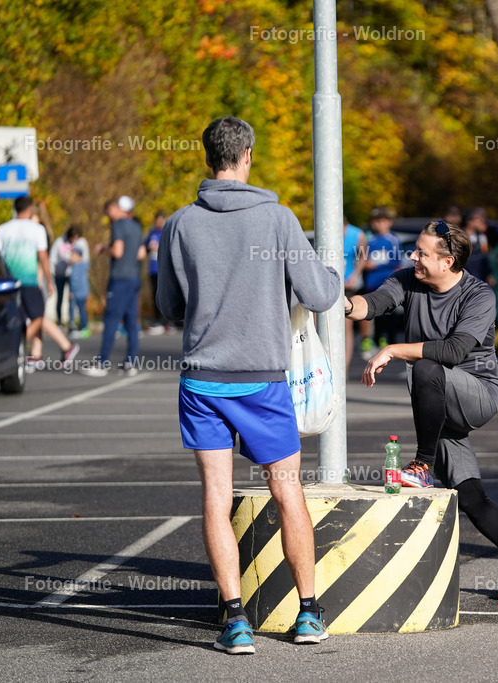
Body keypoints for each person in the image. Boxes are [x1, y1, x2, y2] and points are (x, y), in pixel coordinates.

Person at [156, 116, 341, 653]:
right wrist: (328, 273)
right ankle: (308, 614)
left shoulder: (181, 224)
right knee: (287, 491)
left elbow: (168, 306)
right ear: (248, 156)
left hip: (203, 383)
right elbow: (319, 294)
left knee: (216, 497)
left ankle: (235, 621)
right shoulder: (277, 219)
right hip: (262, 383)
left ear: (208, 156)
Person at [344, 219, 498, 600]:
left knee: (428, 365)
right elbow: (371, 305)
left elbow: (452, 352)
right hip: (436, 401)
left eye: (421, 252)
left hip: (476, 396)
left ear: (448, 261)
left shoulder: (478, 295)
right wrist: (340, 300)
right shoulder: (408, 280)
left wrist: (392, 350)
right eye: (415, 250)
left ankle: (421, 465)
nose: (412, 257)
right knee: (470, 496)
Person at [0, 196, 80, 368]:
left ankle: (37, 354)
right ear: (30, 209)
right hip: (28, 280)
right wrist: (49, 280)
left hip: (8, 281)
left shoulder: (3, 229)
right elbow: (43, 256)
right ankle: (18, 346)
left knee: (21, 317)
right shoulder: (36, 229)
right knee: (38, 316)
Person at [80, 196, 145, 376]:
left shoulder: (118, 226)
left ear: (118, 209)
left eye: (109, 211)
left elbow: (117, 251)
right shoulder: (137, 226)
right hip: (134, 278)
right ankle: (130, 363)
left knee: (111, 320)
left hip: (120, 278)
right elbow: (140, 254)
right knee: (132, 322)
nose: (108, 215)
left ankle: (101, 363)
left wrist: (103, 249)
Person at [359, 206, 402, 357]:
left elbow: (396, 261)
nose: (380, 225)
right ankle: (374, 341)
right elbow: (362, 257)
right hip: (372, 282)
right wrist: (365, 264)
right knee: (373, 313)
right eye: (377, 221)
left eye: (383, 221)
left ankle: (389, 340)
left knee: (389, 313)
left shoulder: (393, 239)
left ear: (389, 222)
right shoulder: (369, 238)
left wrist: (377, 265)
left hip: (387, 281)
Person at [342, 216, 368, 369]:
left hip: (348, 286)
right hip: (329, 283)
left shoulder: (358, 234)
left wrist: (355, 276)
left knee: (346, 326)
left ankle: (343, 368)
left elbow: (363, 257)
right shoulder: (323, 230)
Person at [144, 211, 169, 334]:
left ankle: (168, 322)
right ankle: (157, 320)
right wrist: (148, 247)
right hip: (153, 268)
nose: (158, 224)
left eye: (160, 221)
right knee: (155, 295)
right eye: (157, 221)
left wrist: (158, 247)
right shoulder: (152, 232)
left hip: (164, 268)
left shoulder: (167, 231)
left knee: (165, 295)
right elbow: (145, 246)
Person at [66, 225, 92, 339]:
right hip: (81, 282)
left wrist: (72, 289)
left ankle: (83, 327)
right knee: (80, 305)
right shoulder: (83, 243)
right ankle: (82, 326)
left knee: (79, 305)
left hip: (78, 284)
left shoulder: (79, 244)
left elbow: (75, 256)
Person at [49, 228, 73, 326]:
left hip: (71, 274)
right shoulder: (58, 242)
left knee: (72, 297)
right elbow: (52, 258)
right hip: (59, 274)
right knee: (60, 298)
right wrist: (61, 264)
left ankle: (71, 321)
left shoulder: (75, 243)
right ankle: (59, 321)